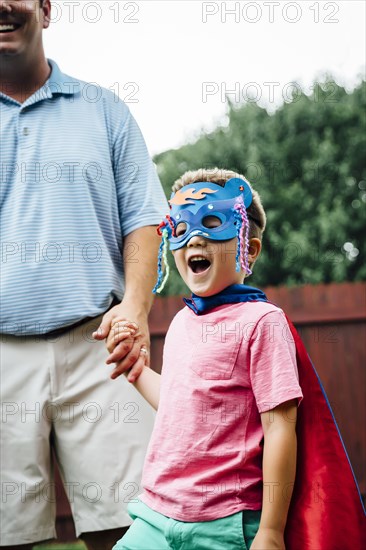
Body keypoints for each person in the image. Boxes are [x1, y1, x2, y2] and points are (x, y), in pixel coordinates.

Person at [112, 168, 365, 550]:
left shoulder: (262, 322)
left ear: (248, 249)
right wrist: (136, 369)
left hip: (225, 524)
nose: (195, 236)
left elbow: (280, 427)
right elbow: (179, 403)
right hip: (156, 514)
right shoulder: (182, 322)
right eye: (181, 229)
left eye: (212, 223)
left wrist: (271, 530)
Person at [0, 1, 167, 548]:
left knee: (134, 529)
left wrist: (136, 308)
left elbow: (145, 218)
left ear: (46, 10)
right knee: (9, 536)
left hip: (103, 352)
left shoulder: (104, 110)